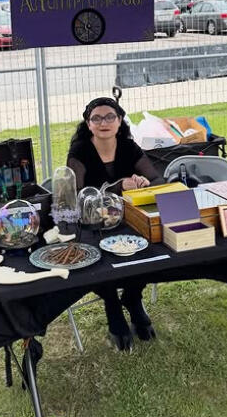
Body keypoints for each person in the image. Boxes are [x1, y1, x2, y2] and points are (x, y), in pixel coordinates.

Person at [67, 96, 164, 351]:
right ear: (88, 124)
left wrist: (143, 183)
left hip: (127, 221)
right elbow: (76, 196)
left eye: (110, 117)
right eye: (96, 118)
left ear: (120, 120)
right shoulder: (80, 151)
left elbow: (157, 180)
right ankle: (112, 305)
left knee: (149, 246)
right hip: (91, 224)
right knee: (100, 258)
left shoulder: (128, 146)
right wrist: (119, 186)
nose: (104, 123)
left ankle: (133, 298)